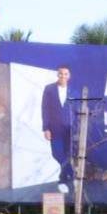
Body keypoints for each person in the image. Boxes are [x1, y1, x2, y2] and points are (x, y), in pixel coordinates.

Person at [41, 66, 74, 194]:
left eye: (66, 74)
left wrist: (76, 127)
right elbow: (45, 109)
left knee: (67, 154)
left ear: (69, 76)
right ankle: (71, 173)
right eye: (61, 73)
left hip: (69, 129)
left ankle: (62, 180)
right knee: (57, 153)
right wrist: (46, 128)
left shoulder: (73, 90)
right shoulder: (49, 89)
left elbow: (76, 109)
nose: (63, 76)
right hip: (54, 128)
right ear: (57, 74)